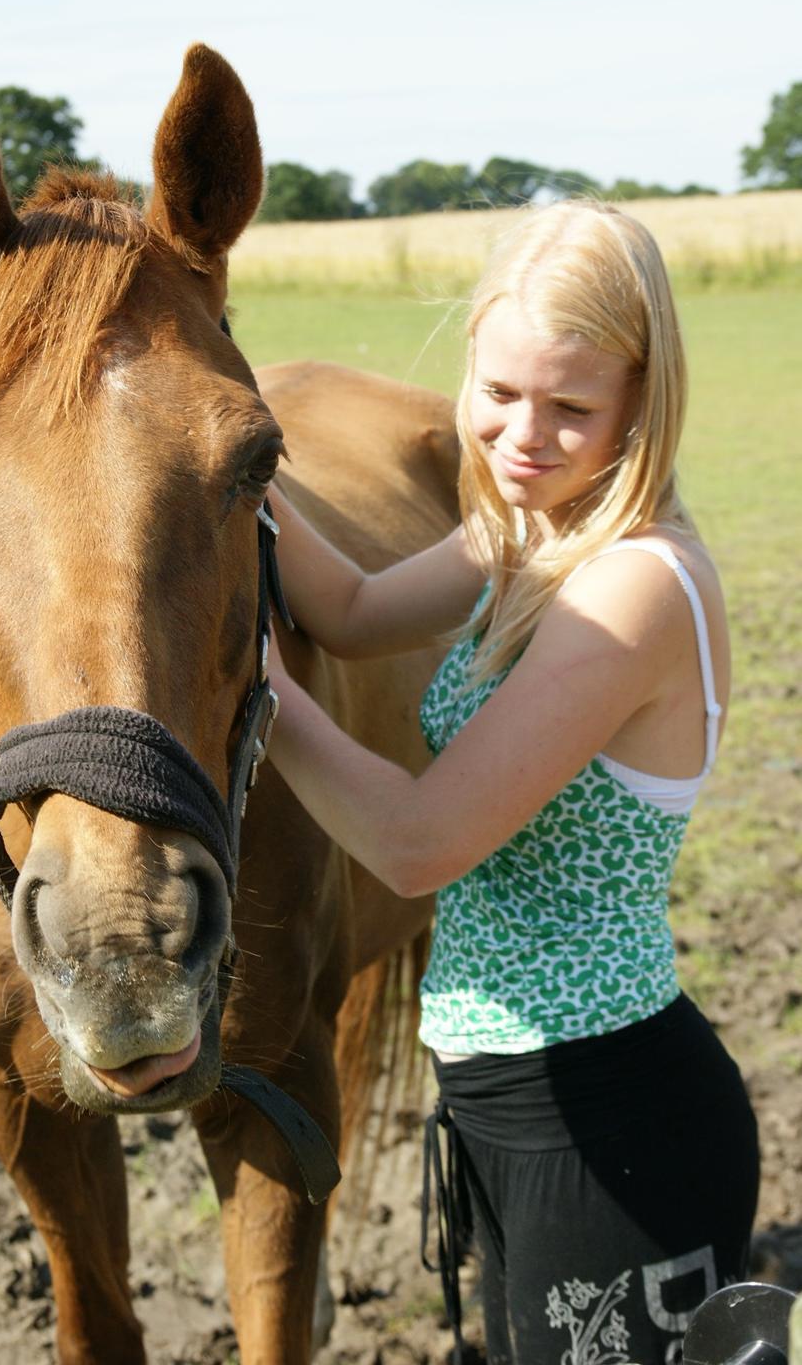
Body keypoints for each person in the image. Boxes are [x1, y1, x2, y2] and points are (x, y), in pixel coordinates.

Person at [264, 200, 759, 1365]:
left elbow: (419, 841)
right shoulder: (525, 531)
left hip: (607, 1120)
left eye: (571, 408)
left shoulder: (631, 585)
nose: (521, 436)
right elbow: (350, 611)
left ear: (645, 398)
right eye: (495, 394)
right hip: (509, 1103)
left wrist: (255, 696)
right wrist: (215, 452)